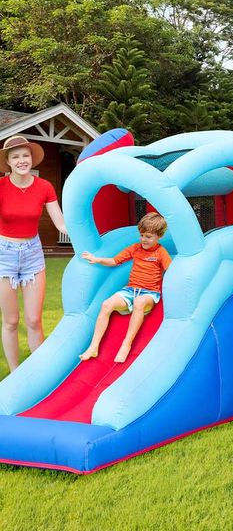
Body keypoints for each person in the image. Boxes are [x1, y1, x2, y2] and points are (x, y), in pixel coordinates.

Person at [0, 135, 67, 371]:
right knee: (10, 321)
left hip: (33, 254)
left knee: (34, 320)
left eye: (25, 155)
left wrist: (84, 236)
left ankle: (38, 375)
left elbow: (60, 223)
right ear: (8, 161)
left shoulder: (44, 187)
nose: (21, 160)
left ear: (32, 158)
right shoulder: (1, 187)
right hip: (4, 255)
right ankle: (16, 373)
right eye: (15, 157)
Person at [79, 212, 171, 363]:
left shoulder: (161, 253)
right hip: (130, 290)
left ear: (159, 236)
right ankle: (94, 346)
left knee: (139, 302)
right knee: (106, 304)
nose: (144, 240)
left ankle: (126, 344)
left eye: (148, 236)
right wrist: (97, 259)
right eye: (142, 235)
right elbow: (115, 261)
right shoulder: (135, 248)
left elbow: (171, 270)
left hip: (149, 294)